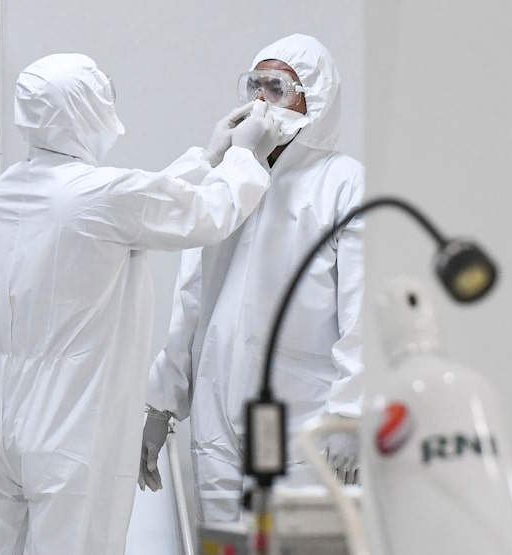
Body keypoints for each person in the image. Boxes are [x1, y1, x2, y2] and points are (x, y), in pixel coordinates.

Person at [0, 52, 281, 554]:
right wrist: (246, 156)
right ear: (84, 110)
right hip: (69, 427)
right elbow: (209, 214)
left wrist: (206, 157)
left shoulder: (14, 186)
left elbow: (133, 206)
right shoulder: (100, 196)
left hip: (0, 425)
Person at [139, 33, 365, 523]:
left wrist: (351, 411)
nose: (261, 100)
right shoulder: (231, 178)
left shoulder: (343, 181)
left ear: (315, 99)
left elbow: (360, 307)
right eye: (255, 86)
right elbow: (192, 298)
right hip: (216, 410)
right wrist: (160, 404)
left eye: (278, 87)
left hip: (303, 416)